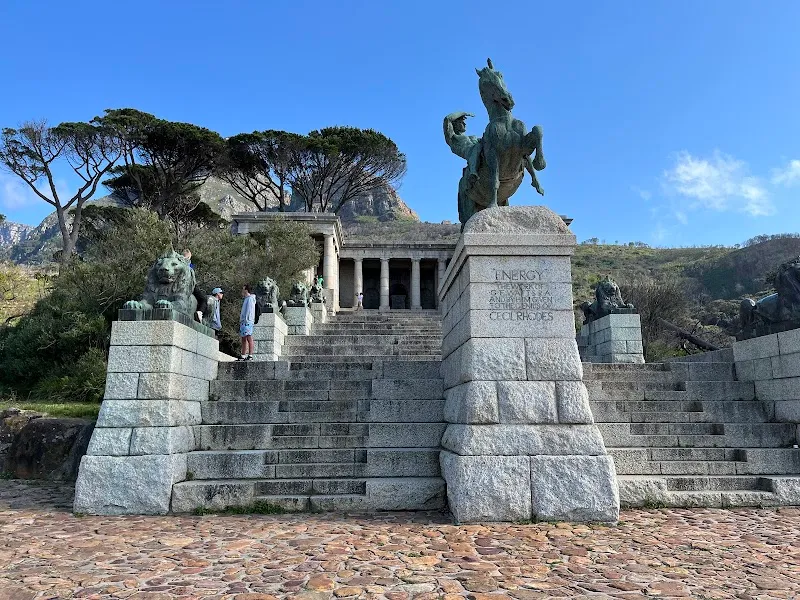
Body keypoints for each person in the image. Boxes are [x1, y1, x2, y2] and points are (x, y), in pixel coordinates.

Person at [238, 284, 256, 361]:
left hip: (247, 321)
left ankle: (250, 355)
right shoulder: (246, 299)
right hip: (243, 321)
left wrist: (247, 319)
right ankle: (243, 355)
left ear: (246, 290)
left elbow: (250, 310)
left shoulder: (250, 299)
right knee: (243, 338)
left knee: (249, 337)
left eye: (243, 289)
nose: (242, 290)